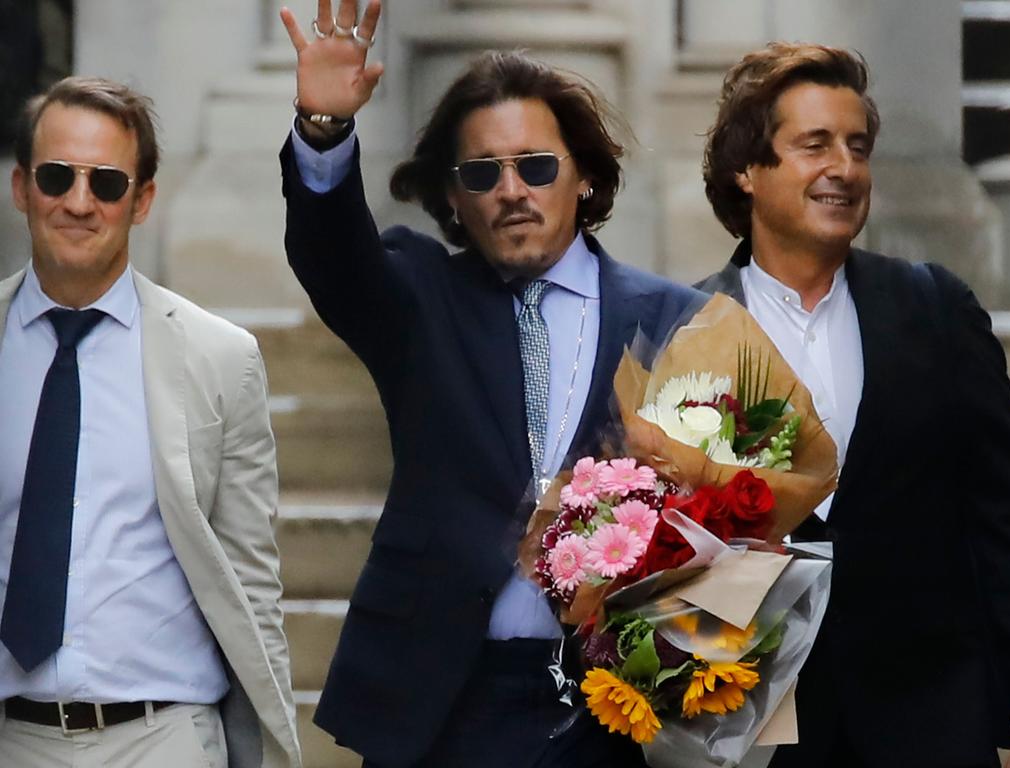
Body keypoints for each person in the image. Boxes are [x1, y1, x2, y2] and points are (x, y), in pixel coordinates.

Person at [278, 1, 705, 766]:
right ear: (452, 198)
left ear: (584, 178)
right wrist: (323, 130)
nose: (513, 189)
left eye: (536, 166)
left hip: (608, 707)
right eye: (484, 173)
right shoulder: (417, 297)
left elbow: (726, 511)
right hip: (442, 699)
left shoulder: (677, 321)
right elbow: (332, 257)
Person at [697, 42, 1010, 768]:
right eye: (815, 145)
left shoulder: (935, 308)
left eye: (857, 146)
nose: (844, 169)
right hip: (762, 739)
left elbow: (1009, 520)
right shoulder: (685, 329)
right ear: (746, 170)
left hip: (934, 725)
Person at [0, 77, 300, 768]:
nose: (79, 203)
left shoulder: (220, 358)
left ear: (143, 201)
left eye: (106, 183)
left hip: (164, 739)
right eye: (56, 177)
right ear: (22, 188)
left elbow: (253, 582)